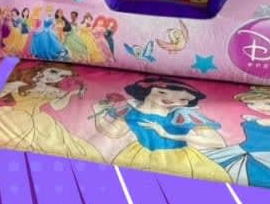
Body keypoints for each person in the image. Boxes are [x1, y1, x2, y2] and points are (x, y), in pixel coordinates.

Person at [93, 78, 229, 181]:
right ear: (146, 91)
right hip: (138, 154)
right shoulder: (131, 111)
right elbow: (114, 132)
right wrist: (97, 115)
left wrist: (168, 135)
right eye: (162, 92)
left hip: (179, 157)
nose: (170, 99)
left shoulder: (182, 114)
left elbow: (218, 142)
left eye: (182, 98)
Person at [0, 65, 104, 161]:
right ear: (42, 69)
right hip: (16, 114)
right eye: (53, 71)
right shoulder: (20, 84)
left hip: (39, 117)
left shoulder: (54, 91)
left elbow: (56, 106)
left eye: (62, 76)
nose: (55, 77)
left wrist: (71, 94)